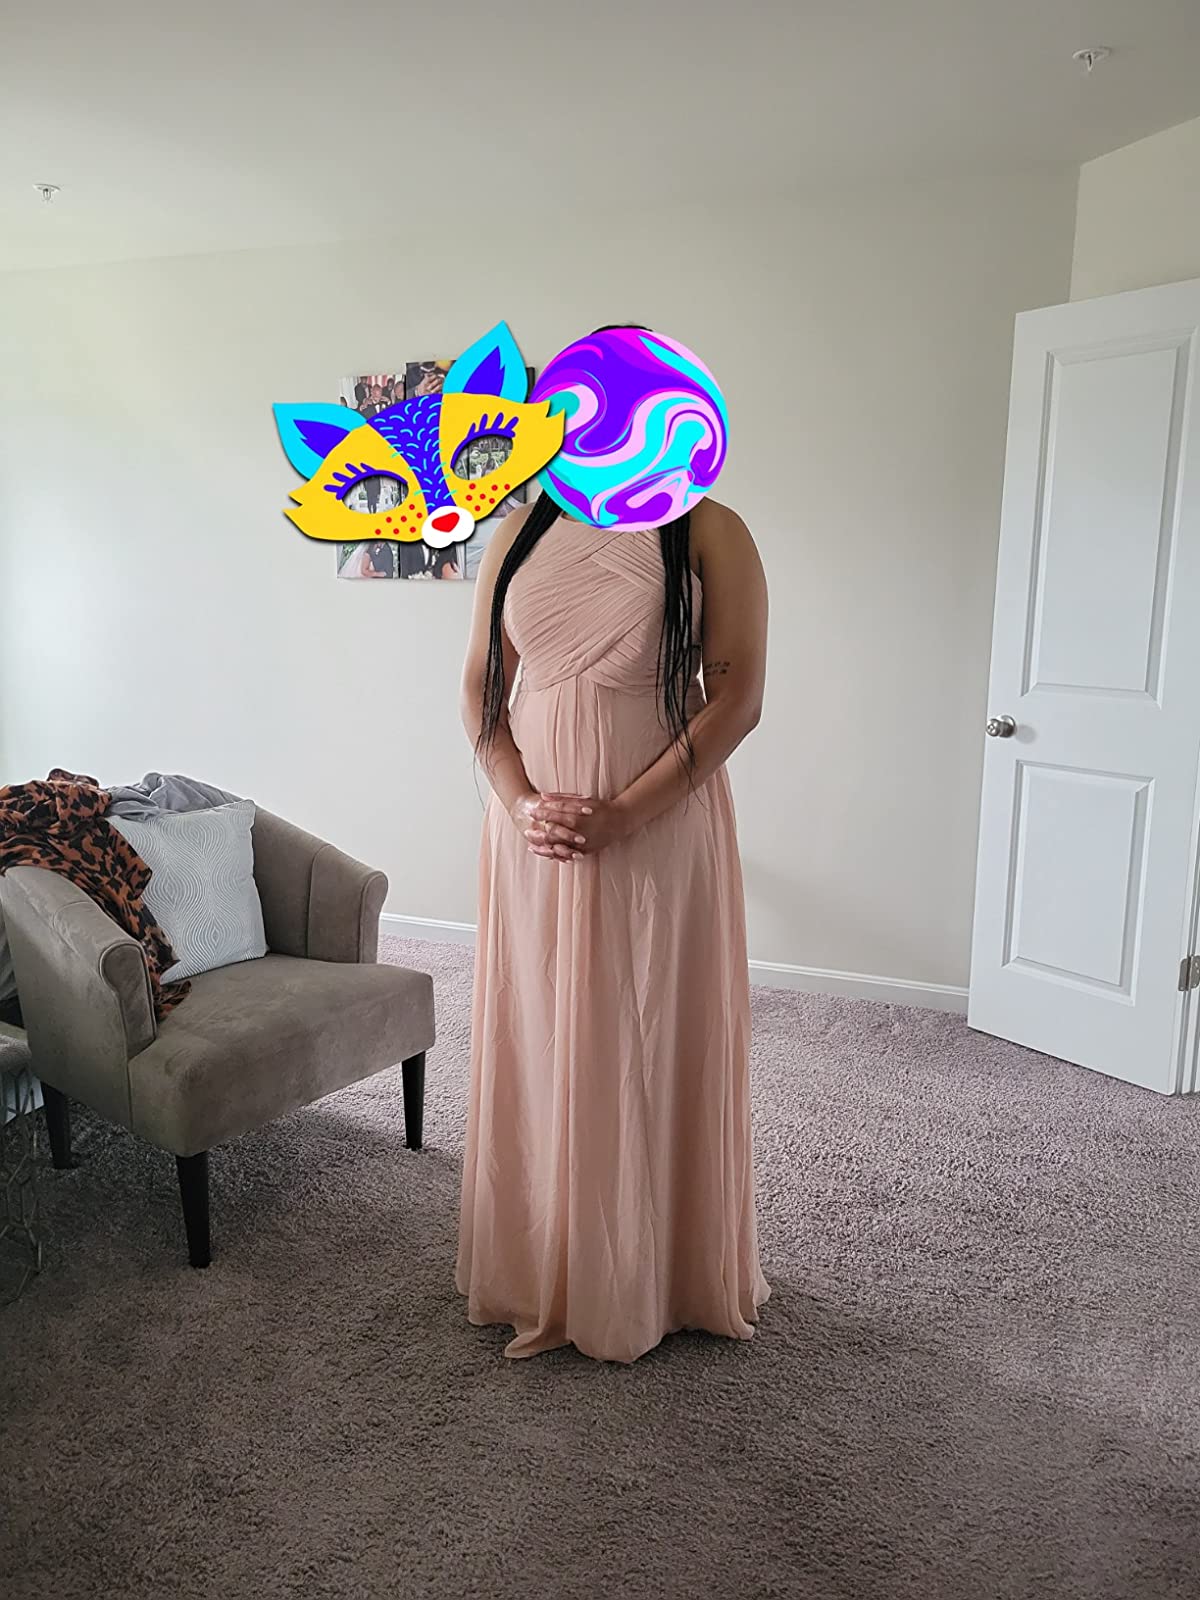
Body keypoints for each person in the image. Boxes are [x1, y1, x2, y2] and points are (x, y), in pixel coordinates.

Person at [457, 397, 770, 1363]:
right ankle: (544, 1261)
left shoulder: (709, 528)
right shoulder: (518, 529)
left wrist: (626, 812)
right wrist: (519, 801)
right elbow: (481, 686)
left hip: (658, 827)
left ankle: (654, 1275)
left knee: (646, 1027)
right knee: (540, 1026)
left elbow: (738, 698)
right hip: (533, 836)